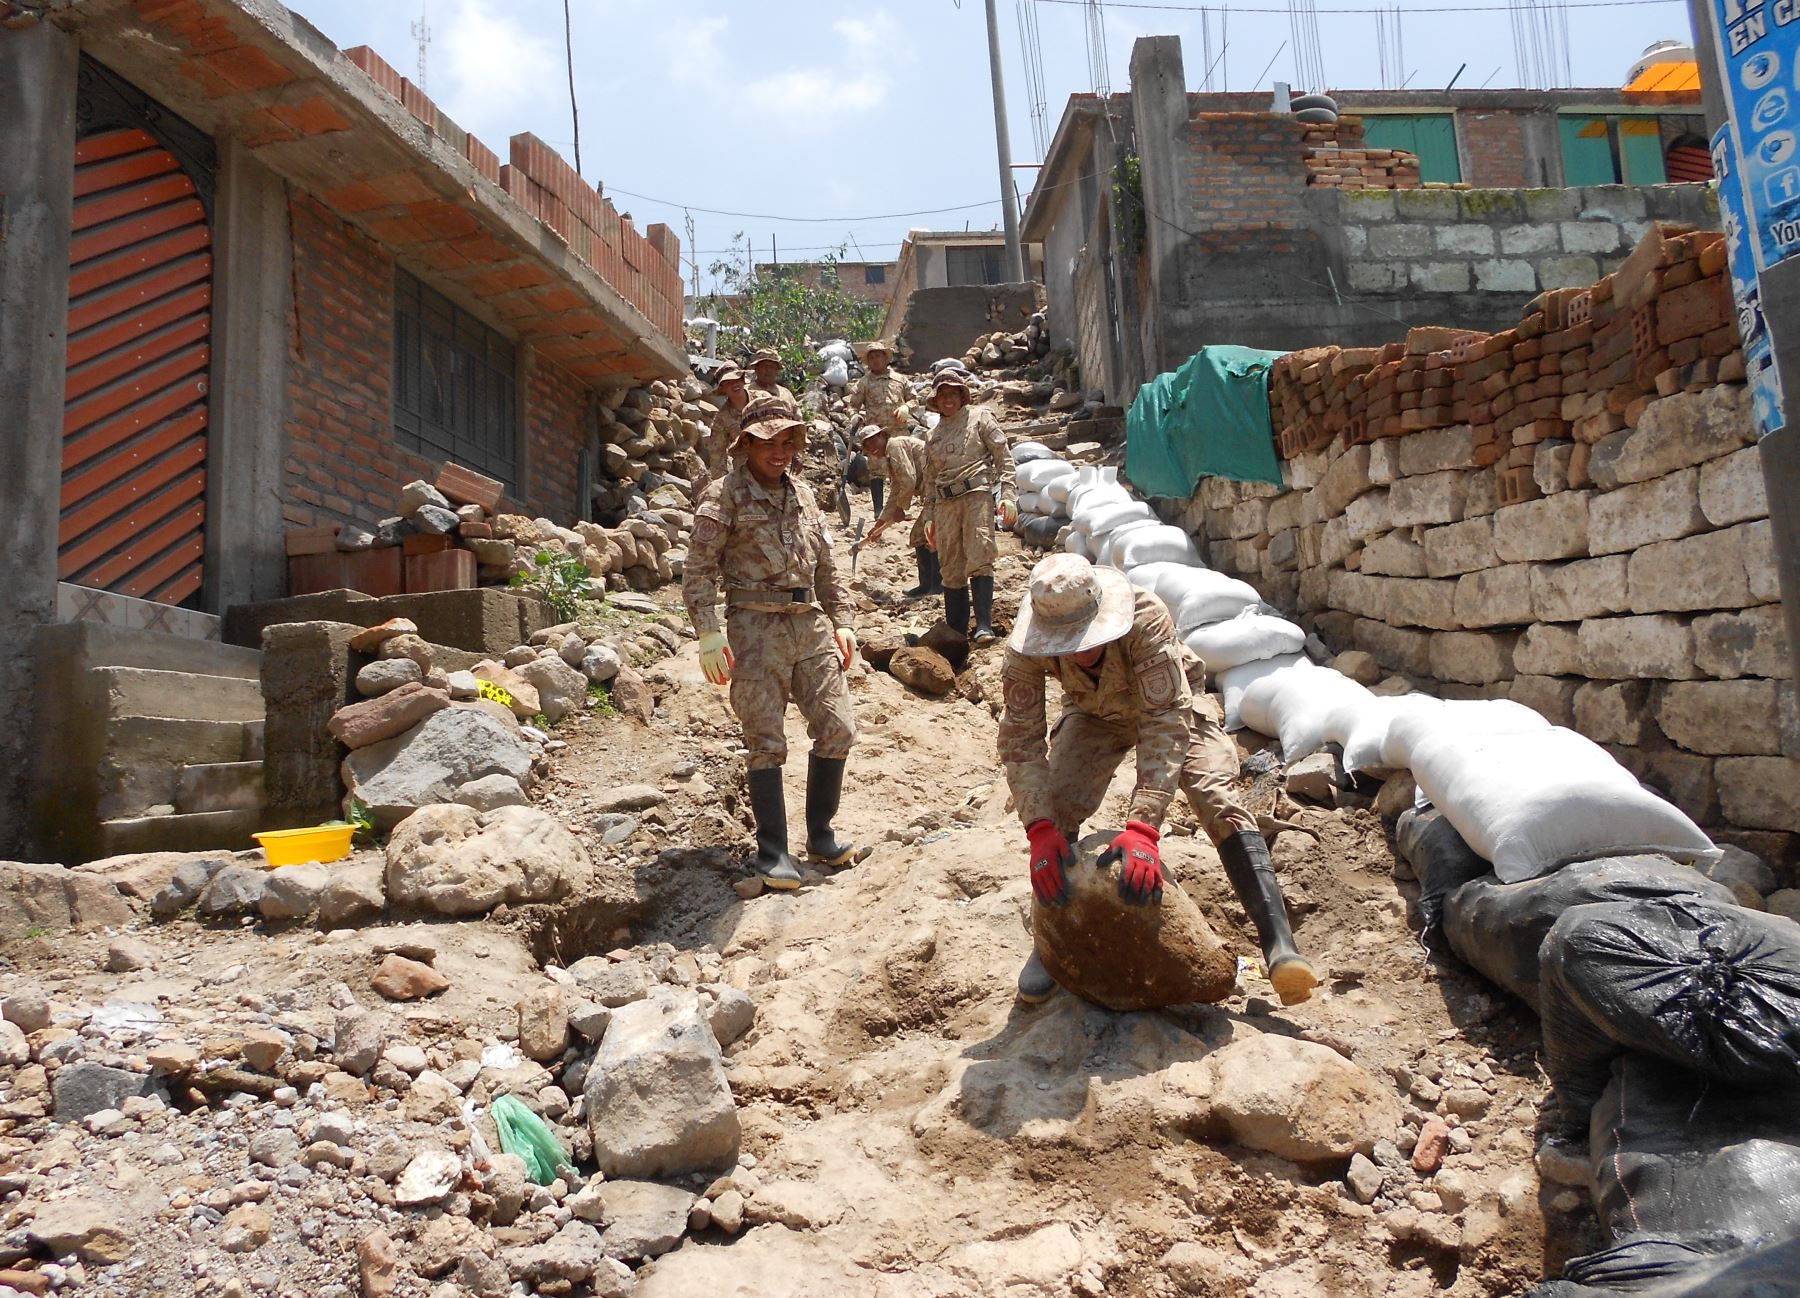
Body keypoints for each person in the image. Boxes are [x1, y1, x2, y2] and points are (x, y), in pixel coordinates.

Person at [997, 553, 1320, 1007]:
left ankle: (1280, 946)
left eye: (1087, 639)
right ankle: (1051, 940)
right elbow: (1020, 740)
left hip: (1175, 706)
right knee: (1057, 800)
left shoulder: (1145, 616)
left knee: (1215, 797)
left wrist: (1144, 827)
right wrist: (1040, 830)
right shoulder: (1025, 647)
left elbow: (1165, 720)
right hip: (1094, 715)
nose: (1078, 651)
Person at [683, 397, 859, 889]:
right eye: (769, 442)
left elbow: (826, 566)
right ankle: (772, 853)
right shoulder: (724, 495)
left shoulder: (801, 492)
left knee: (838, 727)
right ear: (747, 445)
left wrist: (843, 620)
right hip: (755, 629)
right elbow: (698, 571)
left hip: (810, 625)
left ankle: (821, 837)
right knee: (765, 741)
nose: (780, 451)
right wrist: (709, 632)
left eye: (788, 441)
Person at [921, 370, 1015, 644]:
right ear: (935, 401)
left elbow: (1004, 458)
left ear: (962, 396)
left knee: (979, 554)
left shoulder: (980, 418)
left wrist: (1008, 494)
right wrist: (928, 515)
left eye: (953, 394)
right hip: (945, 504)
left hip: (977, 496)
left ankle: (984, 625)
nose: (948, 399)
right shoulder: (932, 436)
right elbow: (928, 479)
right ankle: (956, 633)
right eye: (943, 395)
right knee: (950, 565)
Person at [860, 423, 939, 598]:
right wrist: (879, 524)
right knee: (920, 535)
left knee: (925, 534)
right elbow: (896, 489)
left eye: (874, 441)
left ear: (883, 436)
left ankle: (936, 586)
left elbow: (909, 480)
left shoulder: (895, 445)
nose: (872, 448)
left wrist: (901, 508)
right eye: (867, 445)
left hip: (938, 489)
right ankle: (926, 585)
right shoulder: (890, 456)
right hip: (932, 492)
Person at [844, 338, 910, 517]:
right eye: (872, 357)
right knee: (877, 470)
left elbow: (915, 399)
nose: (876, 360)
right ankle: (878, 510)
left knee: (901, 468)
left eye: (879, 356)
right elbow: (853, 405)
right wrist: (854, 416)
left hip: (898, 432)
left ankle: (900, 508)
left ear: (886, 358)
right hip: (875, 435)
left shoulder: (899, 379)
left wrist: (907, 407)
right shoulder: (864, 383)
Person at [696, 364, 750, 498]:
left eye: (737, 379)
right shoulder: (721, 420)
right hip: (747, 472)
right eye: (728, 383)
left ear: (743, 380)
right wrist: (721, 488)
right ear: (723, 389)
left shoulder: (764, 399)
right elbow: (717, 456)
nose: (734, 384)